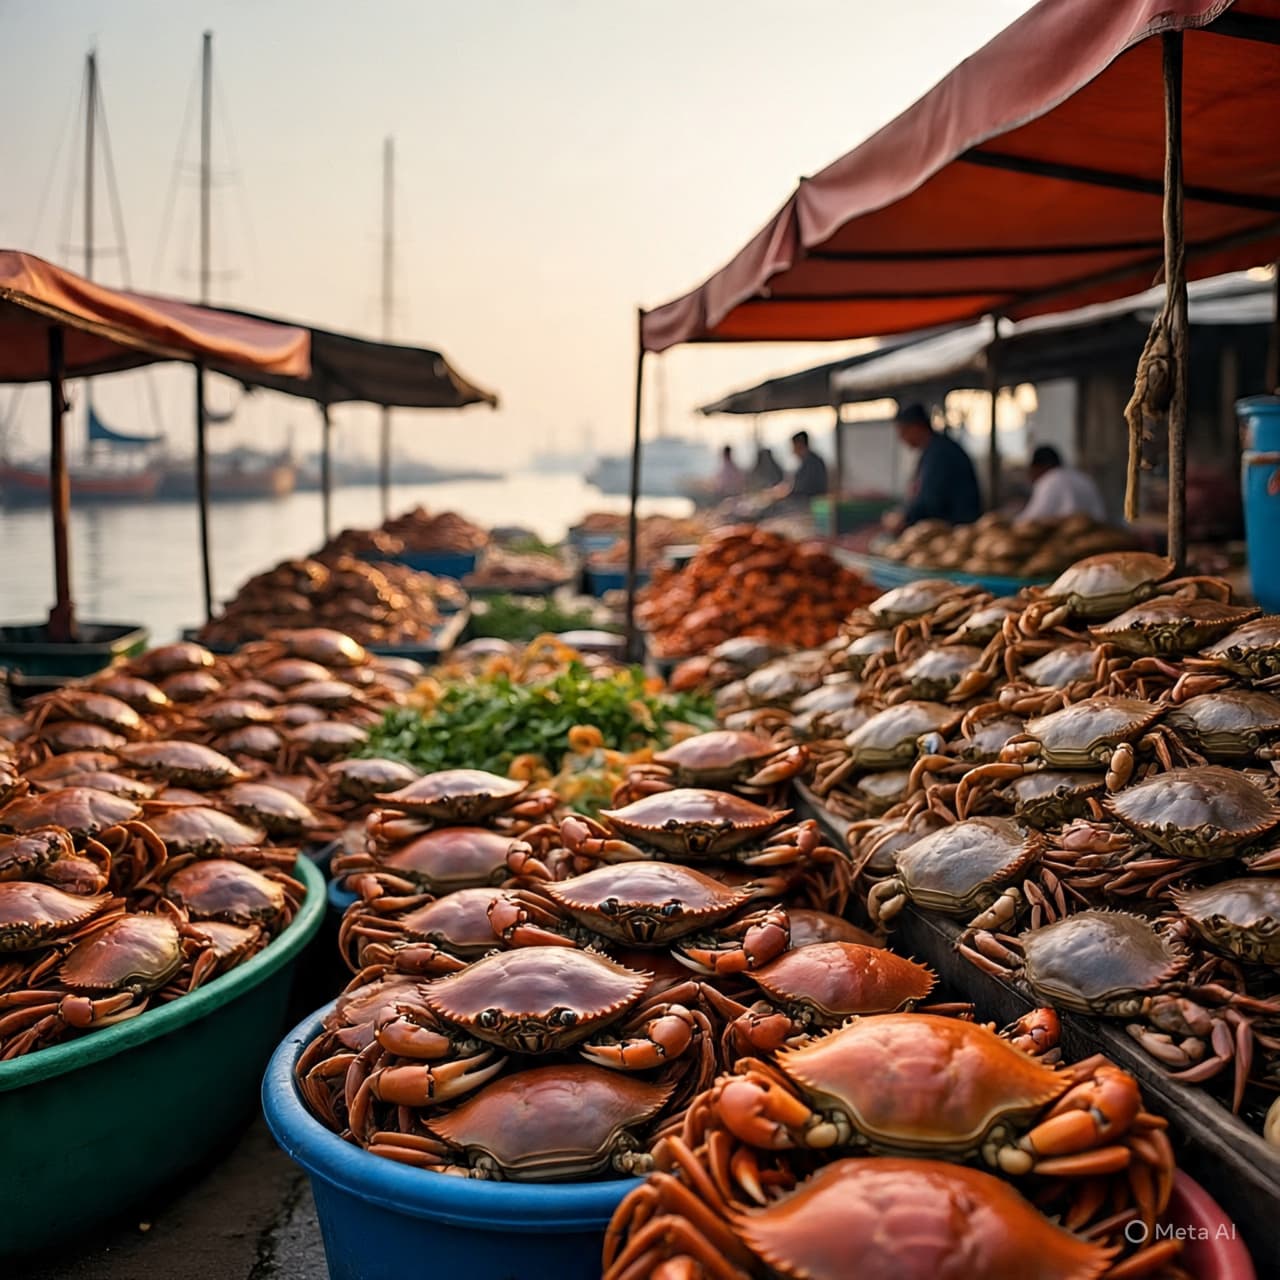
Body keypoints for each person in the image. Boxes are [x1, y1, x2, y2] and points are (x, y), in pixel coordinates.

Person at [888, 403, 982, 529]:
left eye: (903, 432)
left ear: (917, 427)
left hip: (956, 529)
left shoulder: (941, 453)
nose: (902, 438)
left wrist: (905, 517)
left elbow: (930, 500)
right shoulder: (931, 450)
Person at [1020, 444, 1106, 522]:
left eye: (1032, 470)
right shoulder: (1084, 478)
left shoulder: (1049, 481)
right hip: (1094, 533)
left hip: (1068, 536)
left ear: (1039, 467)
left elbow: (1031, 520)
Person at [786, 430, 829, 500]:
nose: (793, 451)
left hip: (810, 502)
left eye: (794, 446)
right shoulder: (811, 460)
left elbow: (804, 488)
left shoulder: (812, 463)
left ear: (799, 445)